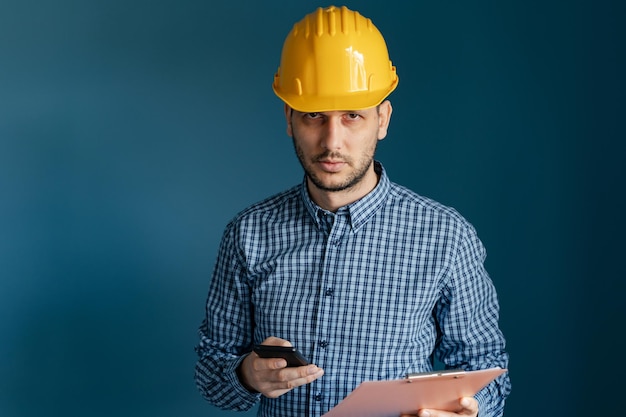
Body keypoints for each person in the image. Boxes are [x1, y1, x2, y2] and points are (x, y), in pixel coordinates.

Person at [195, 5, 511, 417]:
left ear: (382, 119)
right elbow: (212, 373)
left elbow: (487, 372)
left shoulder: (447, 236)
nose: (332, 141)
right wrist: (246, 376)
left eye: (352, 117)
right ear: (289, 118)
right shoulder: (248, 233)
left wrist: (470, 410)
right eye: (314, 116)